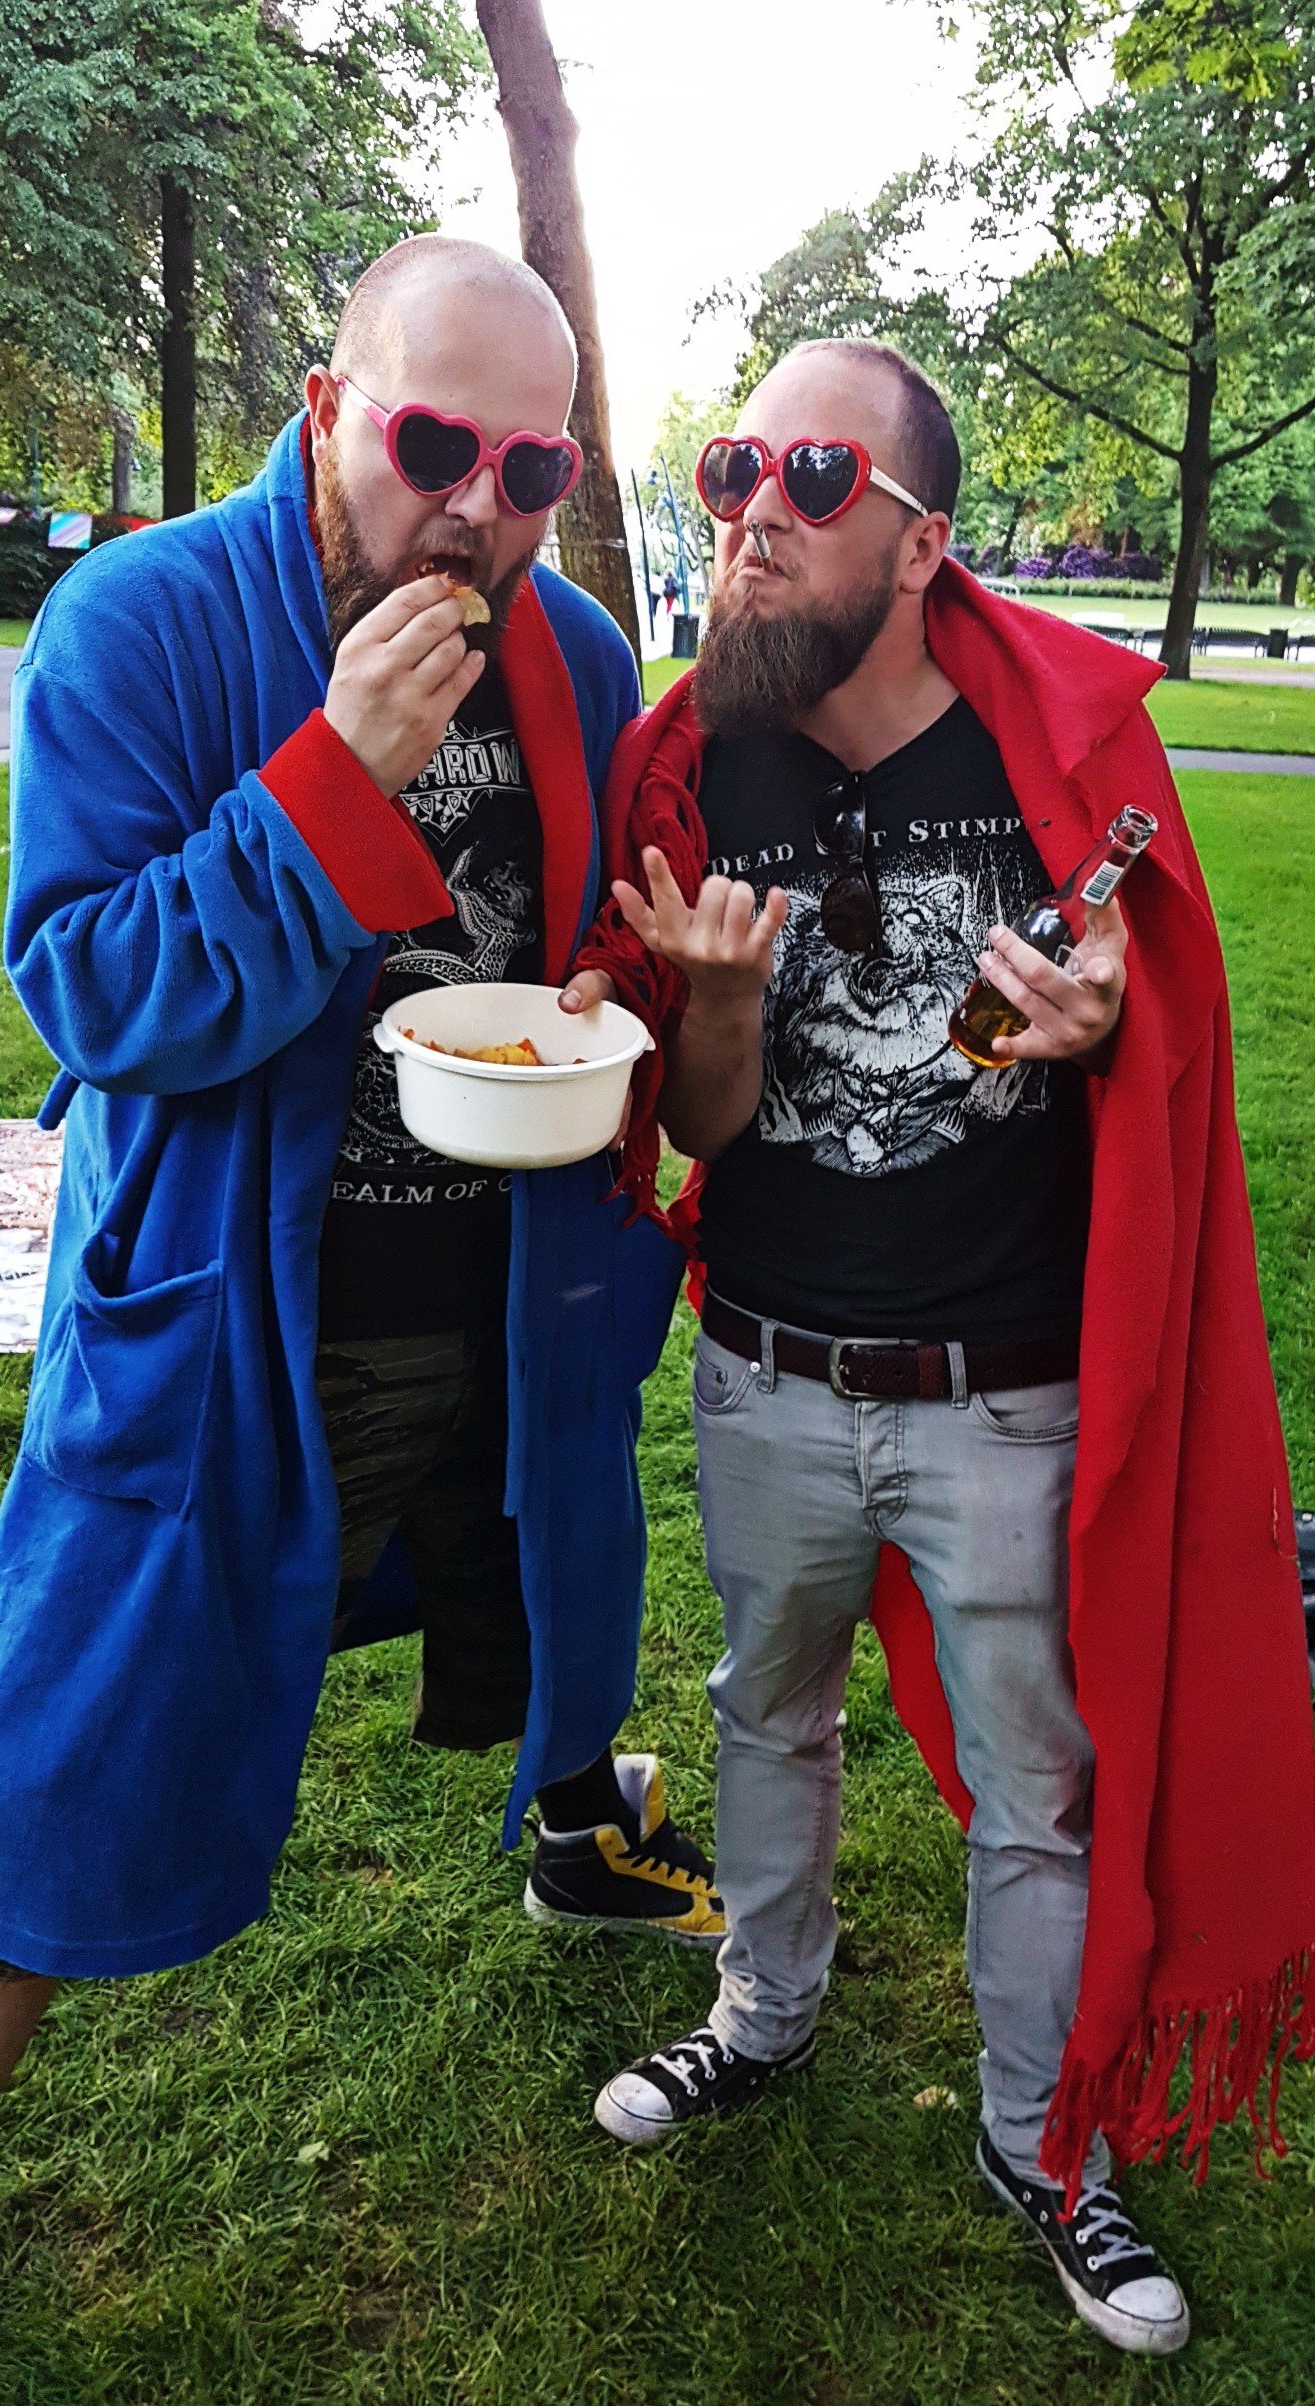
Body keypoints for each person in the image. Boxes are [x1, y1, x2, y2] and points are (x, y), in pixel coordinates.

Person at [0, 235, 721, 2292]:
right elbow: (94, 991)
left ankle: (581, 1832)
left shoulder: (573, 653)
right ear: (324, 413)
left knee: (551, 1588)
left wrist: (611, 980)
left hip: (504, 1296)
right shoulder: (142, 622)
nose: (480, 509)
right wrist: (333, 779)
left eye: (534, 468)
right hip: (237, 1323)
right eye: (433, 447)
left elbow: (589, 920)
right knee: (59, 1753)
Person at [571, 339, 1315, 2357]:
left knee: (1037, 1783)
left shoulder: (1057, 766)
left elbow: (1127, 1070)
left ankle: (1044, 2142)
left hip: (1006, 1398)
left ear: (923, 544)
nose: (757, 512)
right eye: (737, 468)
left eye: (816, 479)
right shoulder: (701, 764)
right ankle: (763, 2012)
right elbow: (707, 1125)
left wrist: (1101, 1034)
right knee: (763, 1711)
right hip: (767, 1370)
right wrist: (719, 1004)